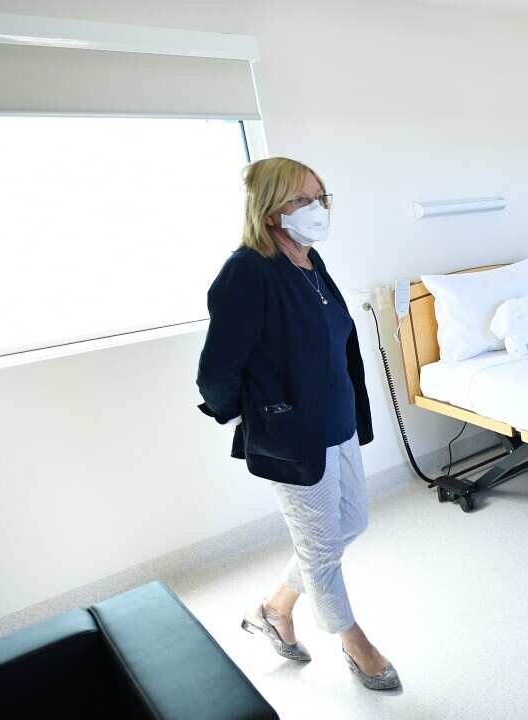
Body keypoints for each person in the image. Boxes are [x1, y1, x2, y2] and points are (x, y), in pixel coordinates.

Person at [196, 157, 399, 691]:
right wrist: (256, 417)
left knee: (351, 522)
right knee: (321, 548)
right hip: (291, 436)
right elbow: (216, 371)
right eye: (302, 200)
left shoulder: (310, 261)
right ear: (270, 212)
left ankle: (273, 608)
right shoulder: (247, 271)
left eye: (321, 197)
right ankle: (356, 644)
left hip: (337, 418)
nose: (318, 208)